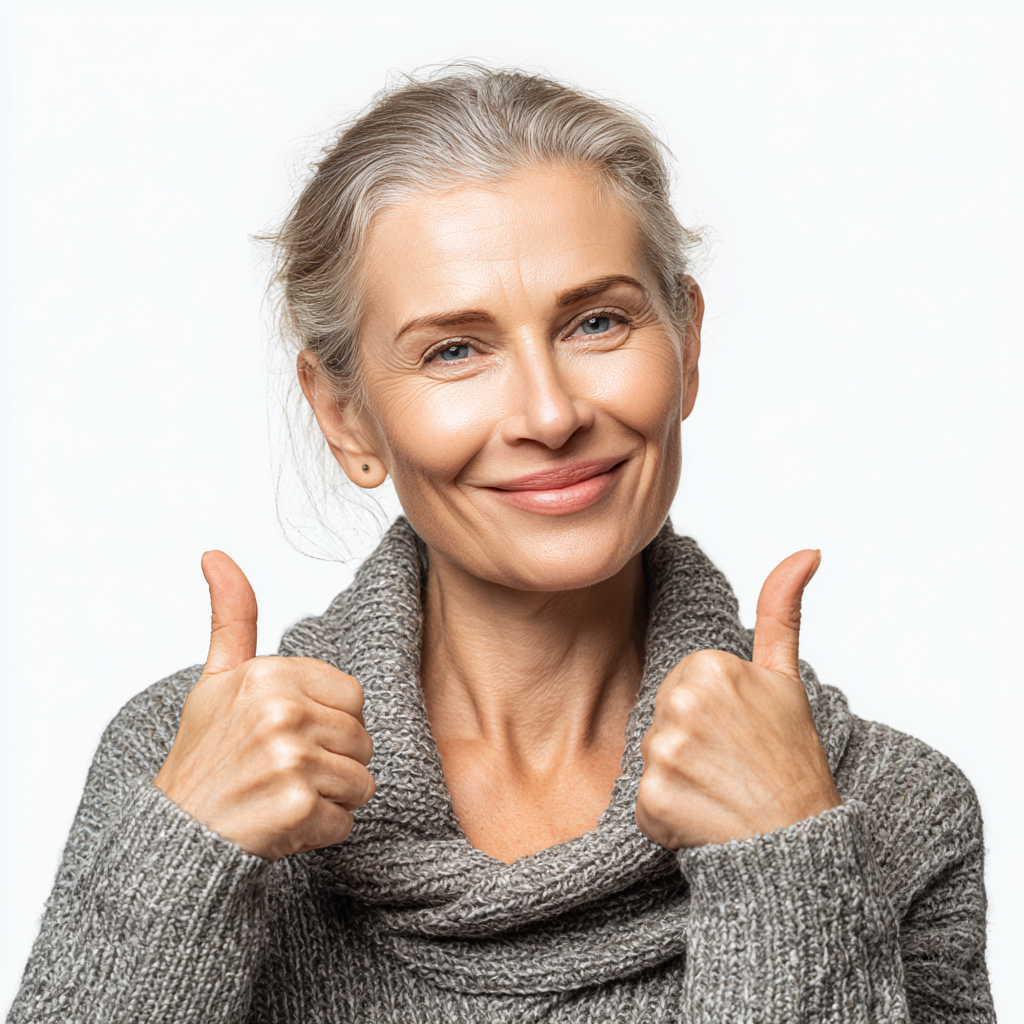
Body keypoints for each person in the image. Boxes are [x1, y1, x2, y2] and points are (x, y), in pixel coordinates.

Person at [8, 66, 993, 1023]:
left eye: (597, 322)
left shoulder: (887, 807)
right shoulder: (186, 762)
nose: (549, 412)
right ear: (346, 415)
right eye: (454, 349)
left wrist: (788, 856)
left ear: (686, 345)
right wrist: (186, 856)